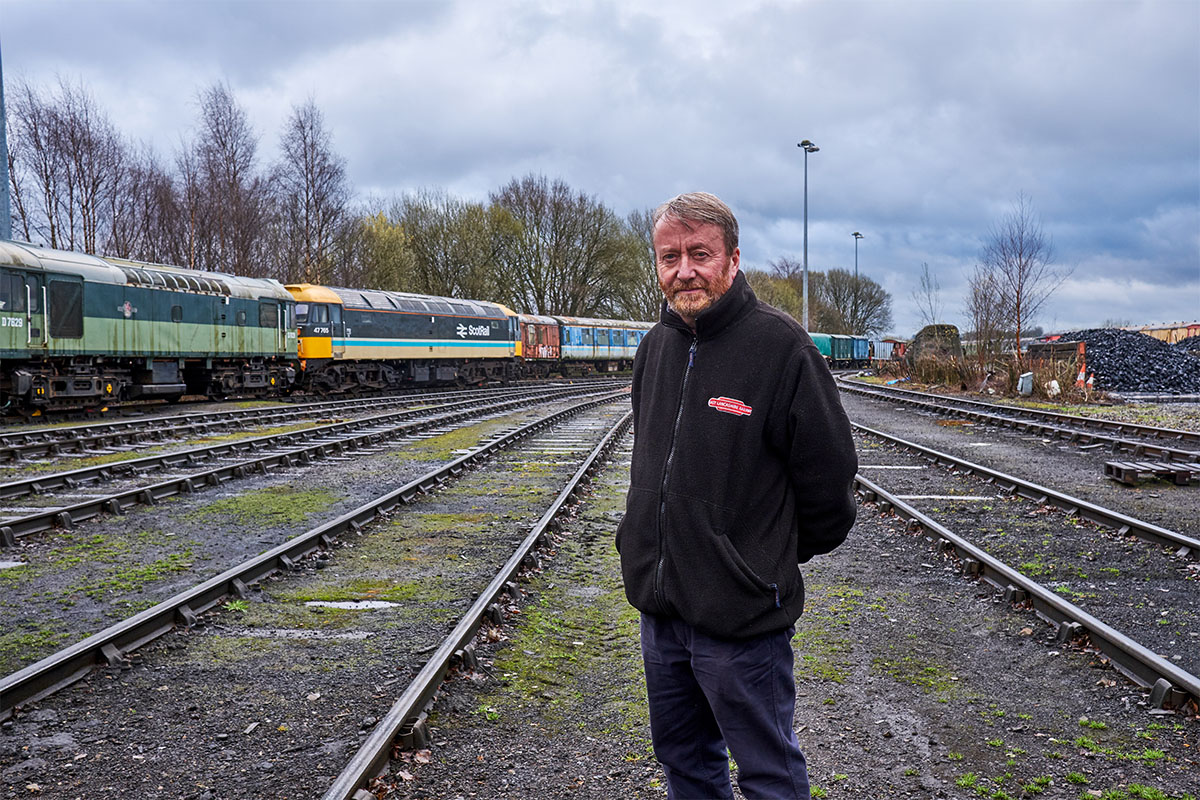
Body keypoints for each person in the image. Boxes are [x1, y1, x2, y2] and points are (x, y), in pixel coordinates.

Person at [616, 192, 858, 799]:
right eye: (670, 257)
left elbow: (830, 488)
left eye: (700, 253)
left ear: (732, 258)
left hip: (741, 617)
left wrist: (758, 560)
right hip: (663, 611)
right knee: (684, 762)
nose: (684, 270)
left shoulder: (782, 349)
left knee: (767, 772)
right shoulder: (655, 348)